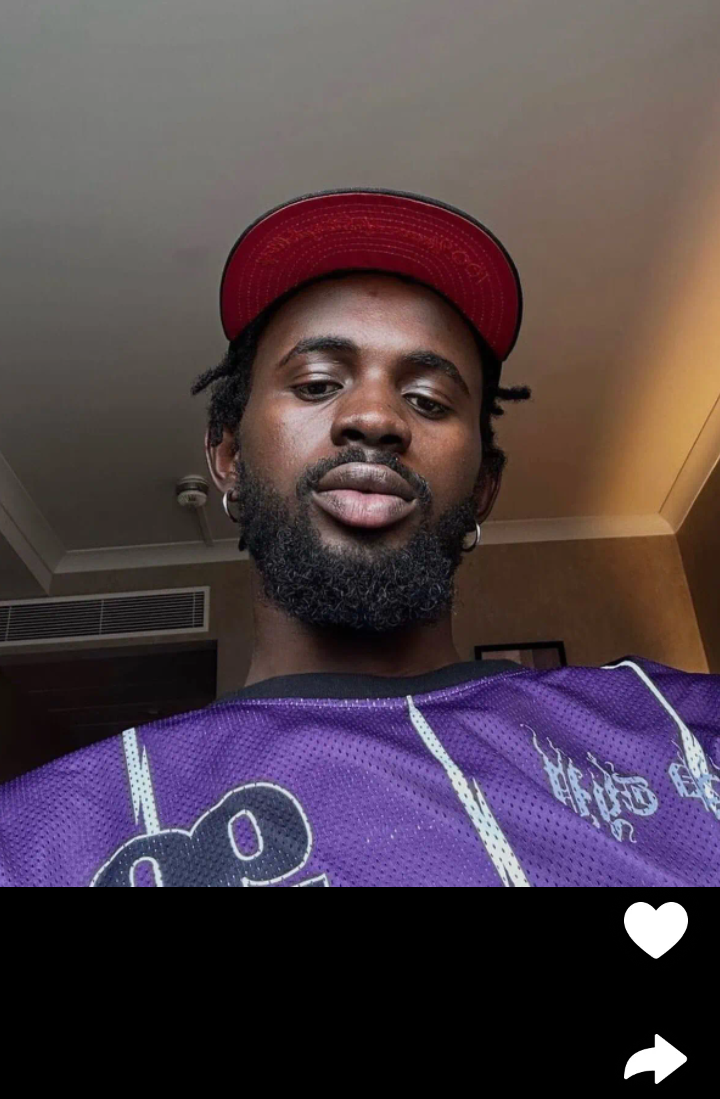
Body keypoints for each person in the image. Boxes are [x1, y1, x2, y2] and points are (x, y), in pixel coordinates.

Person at [0, 187, 718, 886]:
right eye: (317, 384)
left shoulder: (676, 728)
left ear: (483, 489)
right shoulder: (46, 838)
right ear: (228, 457)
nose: (374, 418)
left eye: (428, 399)